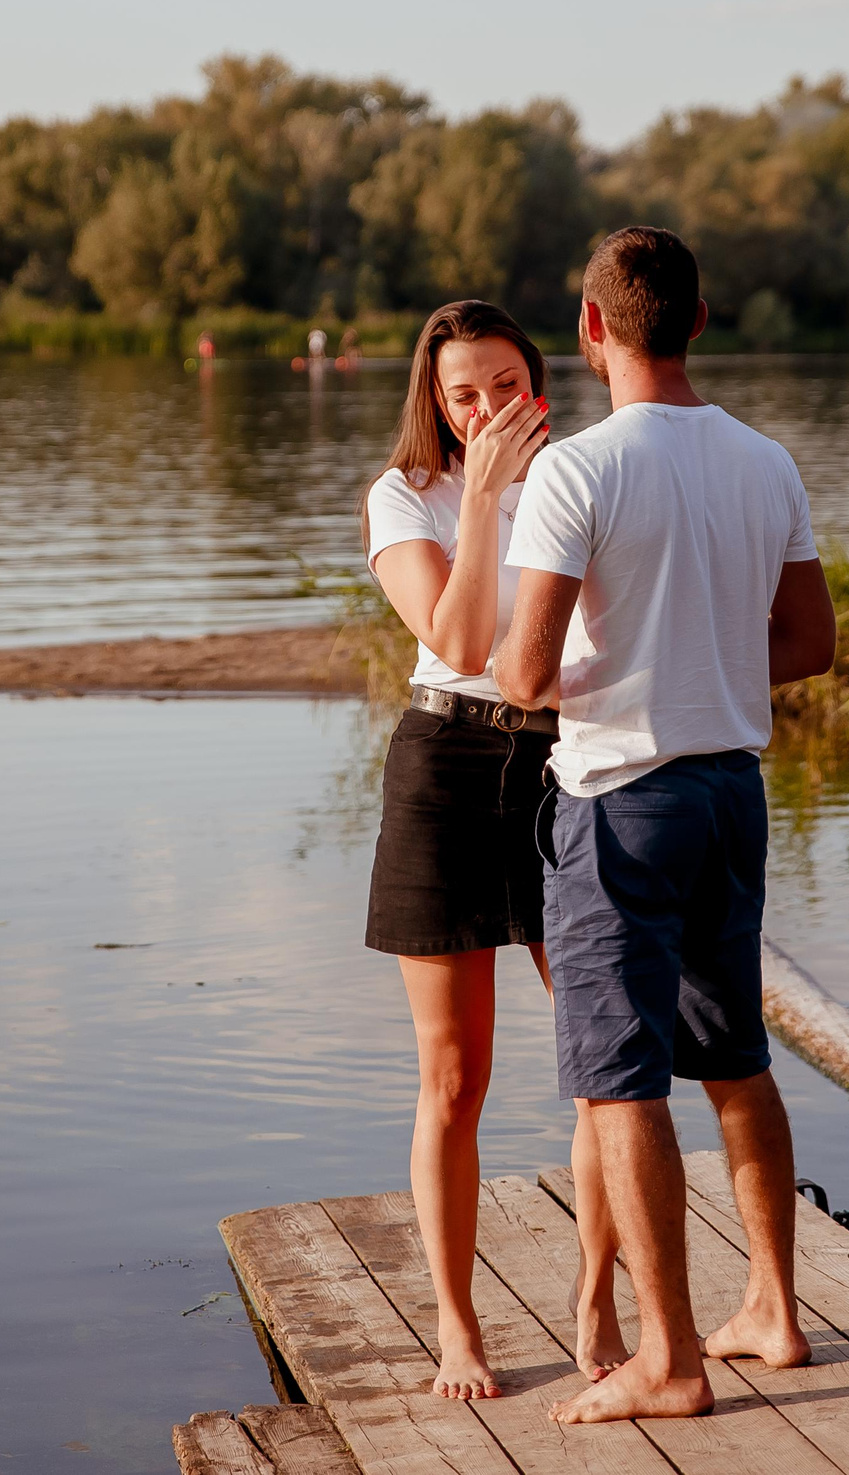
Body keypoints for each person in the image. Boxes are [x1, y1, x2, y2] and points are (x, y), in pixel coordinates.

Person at [496, 226, 838, 1425]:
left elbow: (527, 674)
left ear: (590, 330)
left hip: (620, 804)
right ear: (699, 320)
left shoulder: (574, 471)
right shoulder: (766, 459)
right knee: (735, 1061)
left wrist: (604, 661)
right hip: (729, 794)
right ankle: (776, 1316)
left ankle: (672, 1361)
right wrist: (692, 658)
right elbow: (808, 645)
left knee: (618, 1085)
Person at [362, 300, 623, 1400]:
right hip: (446, 768)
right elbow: (461, 642)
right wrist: (476, 500)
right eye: (462, 392)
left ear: (538, 384)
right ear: (434, 398)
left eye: (503, 386)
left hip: (568, 766)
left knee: (605, 1066)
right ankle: (458, 1328)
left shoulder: (582, 477)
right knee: (454, 1077)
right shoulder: (402, 495)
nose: (484, 409)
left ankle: (597, 1301)